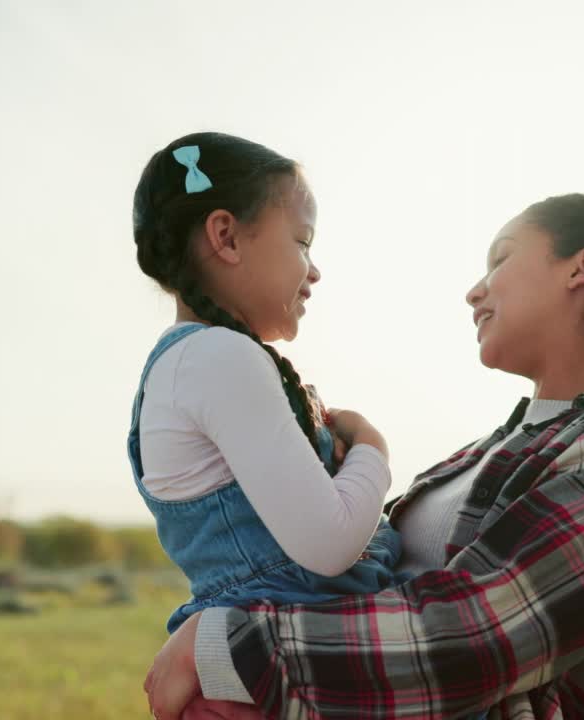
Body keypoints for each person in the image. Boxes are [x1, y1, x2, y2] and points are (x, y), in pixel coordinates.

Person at [145, 192, 584, 719]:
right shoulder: (484, 453)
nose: (474, 292)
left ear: (580, 267)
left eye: (500, 259)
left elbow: (475, 639)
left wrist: (227, 649)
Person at [128, 131, 409, 641]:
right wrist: (373, 446)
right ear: (227, 237)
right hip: (303, 655)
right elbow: (329, 543)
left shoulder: (193, 362)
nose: (315, 270)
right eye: (302, 242)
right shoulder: (217, 357)